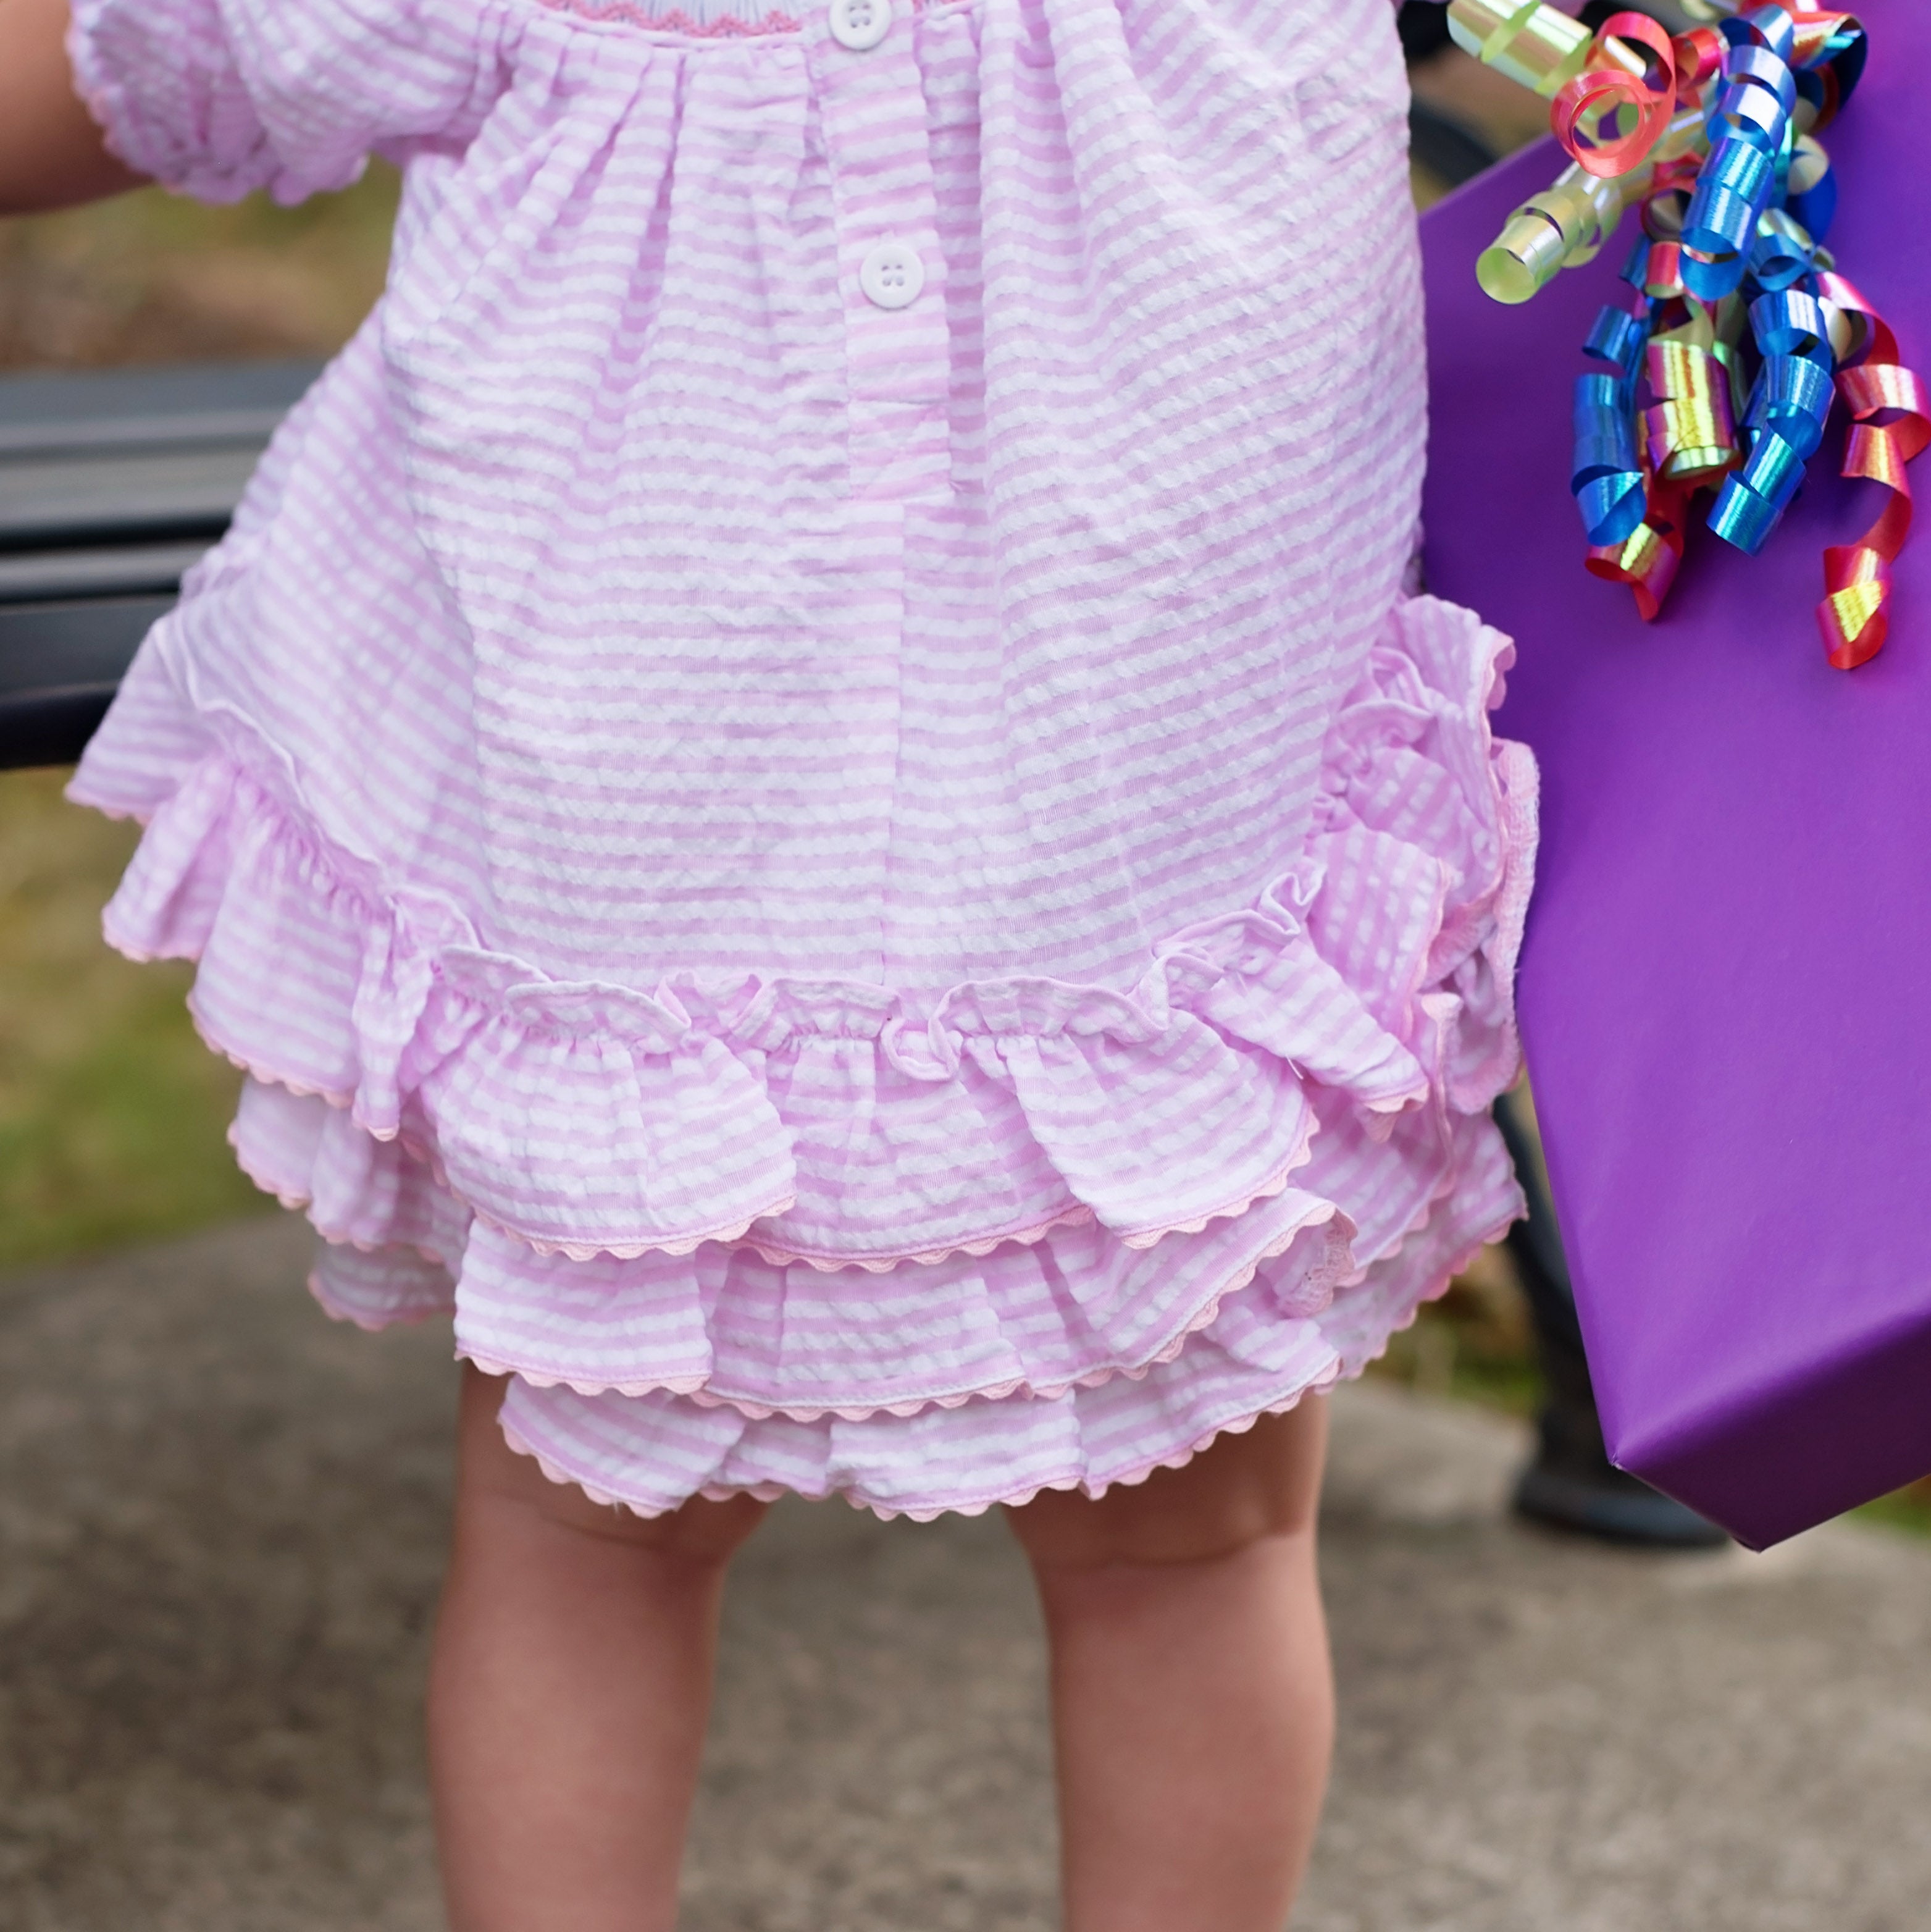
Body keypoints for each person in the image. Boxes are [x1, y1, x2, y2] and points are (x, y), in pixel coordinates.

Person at [0, 0, 1536, 1925]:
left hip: (742, 901)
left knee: (596, 1538)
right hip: (1112, 883)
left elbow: (151, 60)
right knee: (1179, 1551)